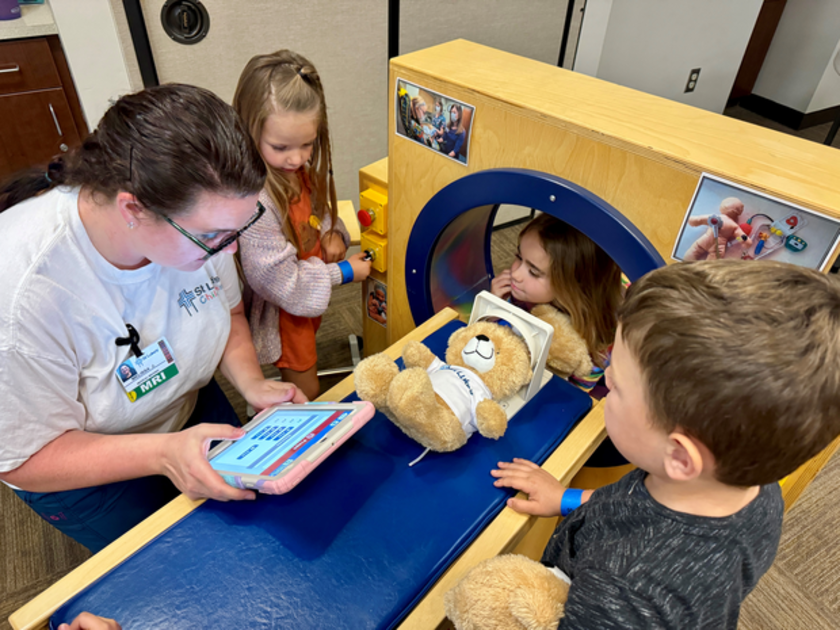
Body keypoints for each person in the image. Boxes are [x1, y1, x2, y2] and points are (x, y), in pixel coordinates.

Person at [0, 84, 307, 553]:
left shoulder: (206, 228)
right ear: (132, 208)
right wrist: (162, 455)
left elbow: (229, 311)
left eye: (237, 230)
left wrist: (251, 384)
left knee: (251, 531)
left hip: (186, 411)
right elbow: (24, 456)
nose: (228, 248)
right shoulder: (23, 292)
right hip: (83, 468)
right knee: (179, 564)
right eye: (214, 235)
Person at [491, 260, 840, 629]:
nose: (606, 375)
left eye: (617, 385)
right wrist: (566, 499)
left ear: (680, 456)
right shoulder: (753, 489)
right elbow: (631, 510)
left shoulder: (623, 589)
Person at [233, 50, 371, 400]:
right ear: (250, 132)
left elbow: (318, 210)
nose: (297, 158)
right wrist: (342, 272)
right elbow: (278, 281)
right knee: (304, 389)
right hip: (285, 311)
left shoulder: (294, 171)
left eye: (307, 144)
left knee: (310, 357)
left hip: (309, 294)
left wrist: (332, 232)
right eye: (281, 147)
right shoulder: (256, 201)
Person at [491, 213, 623, 392]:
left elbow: (577, 392)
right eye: (518, 257)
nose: (515, 274)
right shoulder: (522, 291)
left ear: (571, 285)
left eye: (534, 272)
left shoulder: (600, 334)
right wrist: (492, 306)